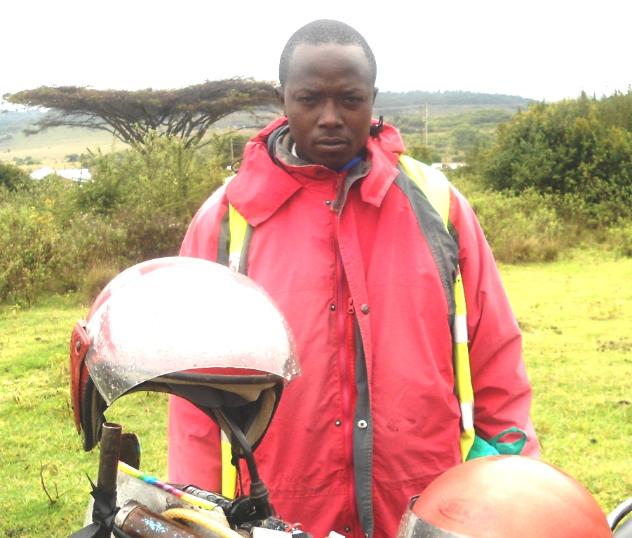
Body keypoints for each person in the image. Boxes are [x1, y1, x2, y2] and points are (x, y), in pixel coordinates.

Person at [168, 19, 538, 538]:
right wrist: (192, 507)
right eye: (308, 100)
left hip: (427, 503)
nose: (330, 118)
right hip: (276, 506)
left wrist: (515, 483)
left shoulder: (438, 204)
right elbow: (192, 389)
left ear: (373, 99)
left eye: (350, 99)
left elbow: (495, 351)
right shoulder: (228, 219)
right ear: (282, 99)